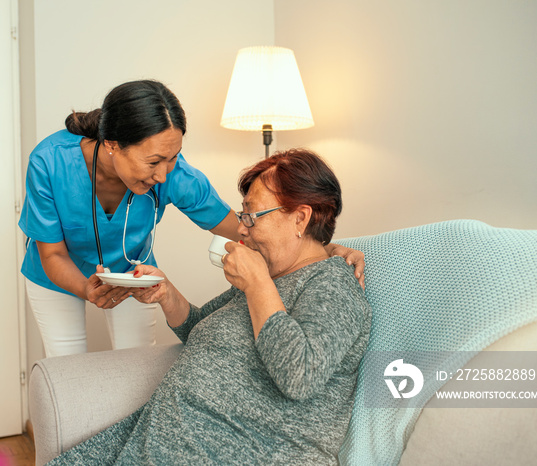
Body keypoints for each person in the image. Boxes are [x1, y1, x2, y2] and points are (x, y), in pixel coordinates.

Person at [47, 148, 372, 465]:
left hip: (244, 452)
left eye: (252, 215)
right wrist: (165, 293)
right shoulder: (268, 276)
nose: (241, 229)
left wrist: (258, 283)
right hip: (169, 437)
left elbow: (299, 376)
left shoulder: (332, 284)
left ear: (300, 218)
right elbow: (201, 327)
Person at [19, 79, 366, 357]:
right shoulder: (49, 163)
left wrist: (320, 247)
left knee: (137, 362)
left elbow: (240, 226)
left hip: (132, 272)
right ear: (111, 144)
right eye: (153, 161)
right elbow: (52, 254)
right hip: (57, 274)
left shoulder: (175, 174)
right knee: (66, 366)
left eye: (174, 157)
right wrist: (85, 289)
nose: (164, 174)